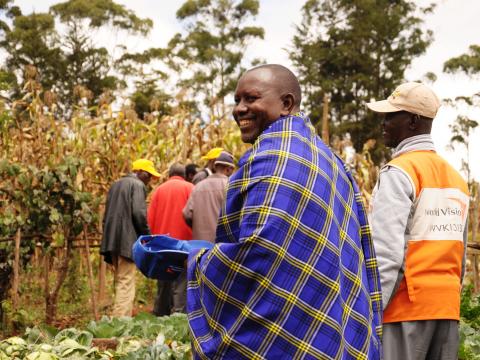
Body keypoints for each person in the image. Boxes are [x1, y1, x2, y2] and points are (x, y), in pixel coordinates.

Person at [186, 65, 382, 359]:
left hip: (282, 333)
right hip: (327, 322)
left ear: (286, 104)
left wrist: (194, 260)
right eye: (237, 100)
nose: (240, 109)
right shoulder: (331, 161)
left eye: (251, 98)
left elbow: (258, 256)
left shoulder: (273, 157)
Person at [367, 82, 470, 360]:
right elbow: (458, 258)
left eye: (391, 115)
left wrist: (371, 312)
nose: (384, 123)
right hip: (446, 312)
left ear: (412, 121)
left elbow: (386, 254)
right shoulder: (456, 179)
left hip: (404, 310)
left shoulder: (400, 172)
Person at [100, 159, 160, 317]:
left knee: (120, 282)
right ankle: (119, 323)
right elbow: (139, 214)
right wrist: (147, 238)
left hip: (112, 241)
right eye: (149, 176)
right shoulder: (137, 185)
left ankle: (117, 322)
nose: (149, 181)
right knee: (126, 283)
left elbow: (106, 217)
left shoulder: (115, 185)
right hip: (126, 242)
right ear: (141, 173)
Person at [147, 163, 194, 315]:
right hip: (183, 243)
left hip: (163, 243)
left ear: (169, 175)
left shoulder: (159, 191)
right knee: (181, 280)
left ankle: (161, 314)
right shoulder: (190, 188)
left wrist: (153, 242)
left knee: (164, 279)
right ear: (184, 175)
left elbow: (150, 219)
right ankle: (178, 315)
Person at [183, 151, 235, 242]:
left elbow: (186, 214)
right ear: (228, 169)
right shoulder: (231, 186)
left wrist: (197, 227)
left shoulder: (198, 186)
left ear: (215, 166)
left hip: (200, 245)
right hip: (222, 247)